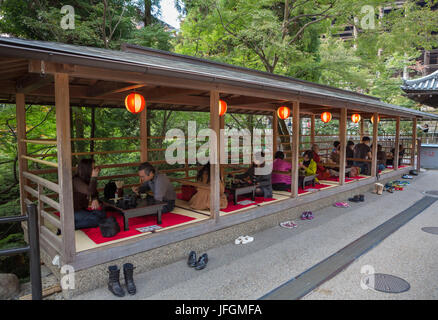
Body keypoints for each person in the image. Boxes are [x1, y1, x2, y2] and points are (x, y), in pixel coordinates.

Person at [73, 158, 106, 230]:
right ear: (87, 169)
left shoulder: (86, 179)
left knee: (102, 214)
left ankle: (81, 220)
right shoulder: (76, 181)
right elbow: (89, 191)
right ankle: (70, 227)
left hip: (82, 210)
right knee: (96, 219)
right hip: (73, 212)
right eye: (93, 168)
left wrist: (94, 198)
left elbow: (94, 191)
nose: (94, 170)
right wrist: (94, 177)